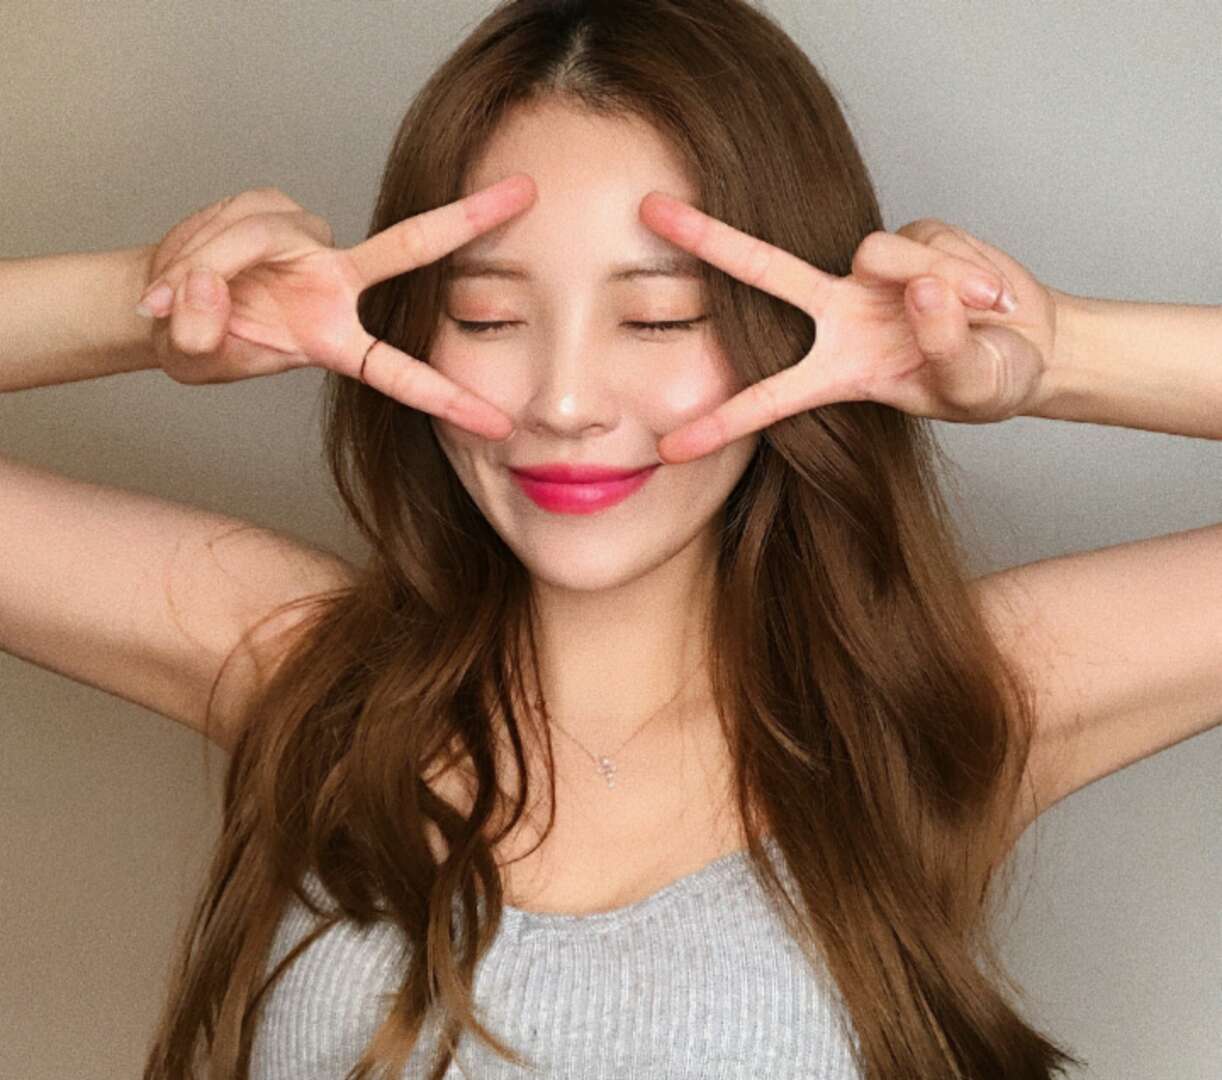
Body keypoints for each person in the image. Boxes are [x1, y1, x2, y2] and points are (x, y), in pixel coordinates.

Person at [3, 1, 1218, 1077]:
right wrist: (148, 305)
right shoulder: (304, 671)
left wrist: (1056, 355)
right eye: (488, 313)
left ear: (790, 332)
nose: (566, 401)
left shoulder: (930, 700)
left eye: (660, 317)